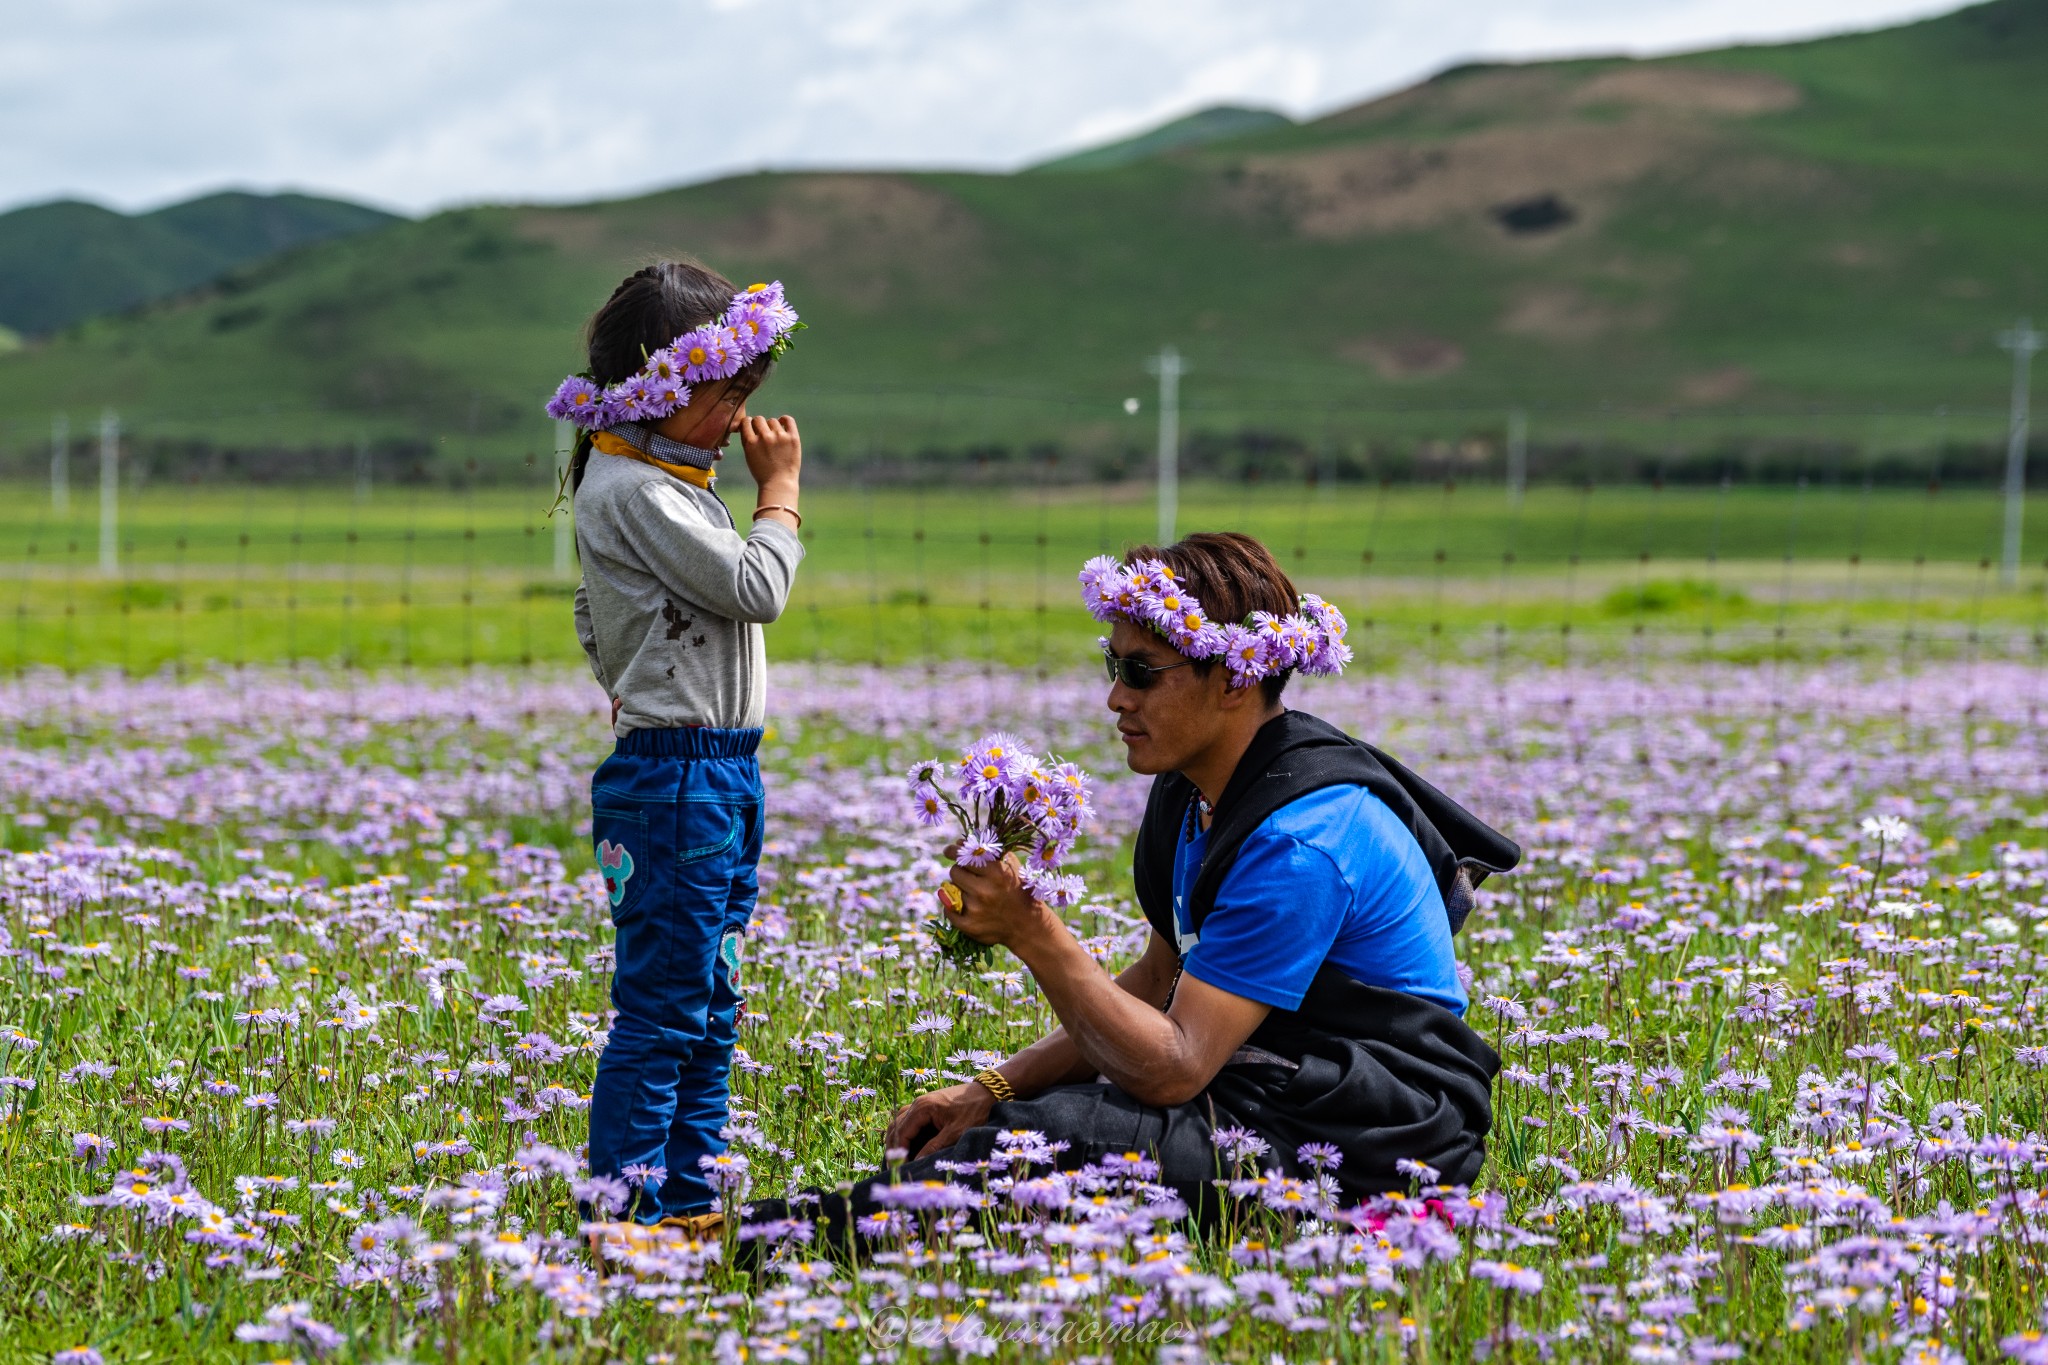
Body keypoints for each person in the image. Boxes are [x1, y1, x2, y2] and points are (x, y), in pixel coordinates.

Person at [793, 532, 1518, 1240]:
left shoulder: (1301, 840)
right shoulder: (1198, 789)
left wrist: (1032, 931)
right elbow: (1158, 977)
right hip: (1274, 1085)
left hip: (1369, 1135)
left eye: (1142, 672)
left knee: (1031, 1152)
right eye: (1113, 664)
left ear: (1235, 677)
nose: (1115, 697)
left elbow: (1173, 1067)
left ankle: (767, 1238)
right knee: (1026, 1133)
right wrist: (992, 1088)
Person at [544, 260, 807, 1230]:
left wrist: (632, 675)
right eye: (725, 395)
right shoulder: (636, 492)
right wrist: (778, 495)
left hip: (719, 770)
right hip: (678, 779)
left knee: (710, 1002)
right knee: (665, 1011)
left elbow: (591, 615)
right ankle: (626, 1219)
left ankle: (688, 1206)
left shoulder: (667, 483)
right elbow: (756, 591)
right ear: (654, 387)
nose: (740, 420)